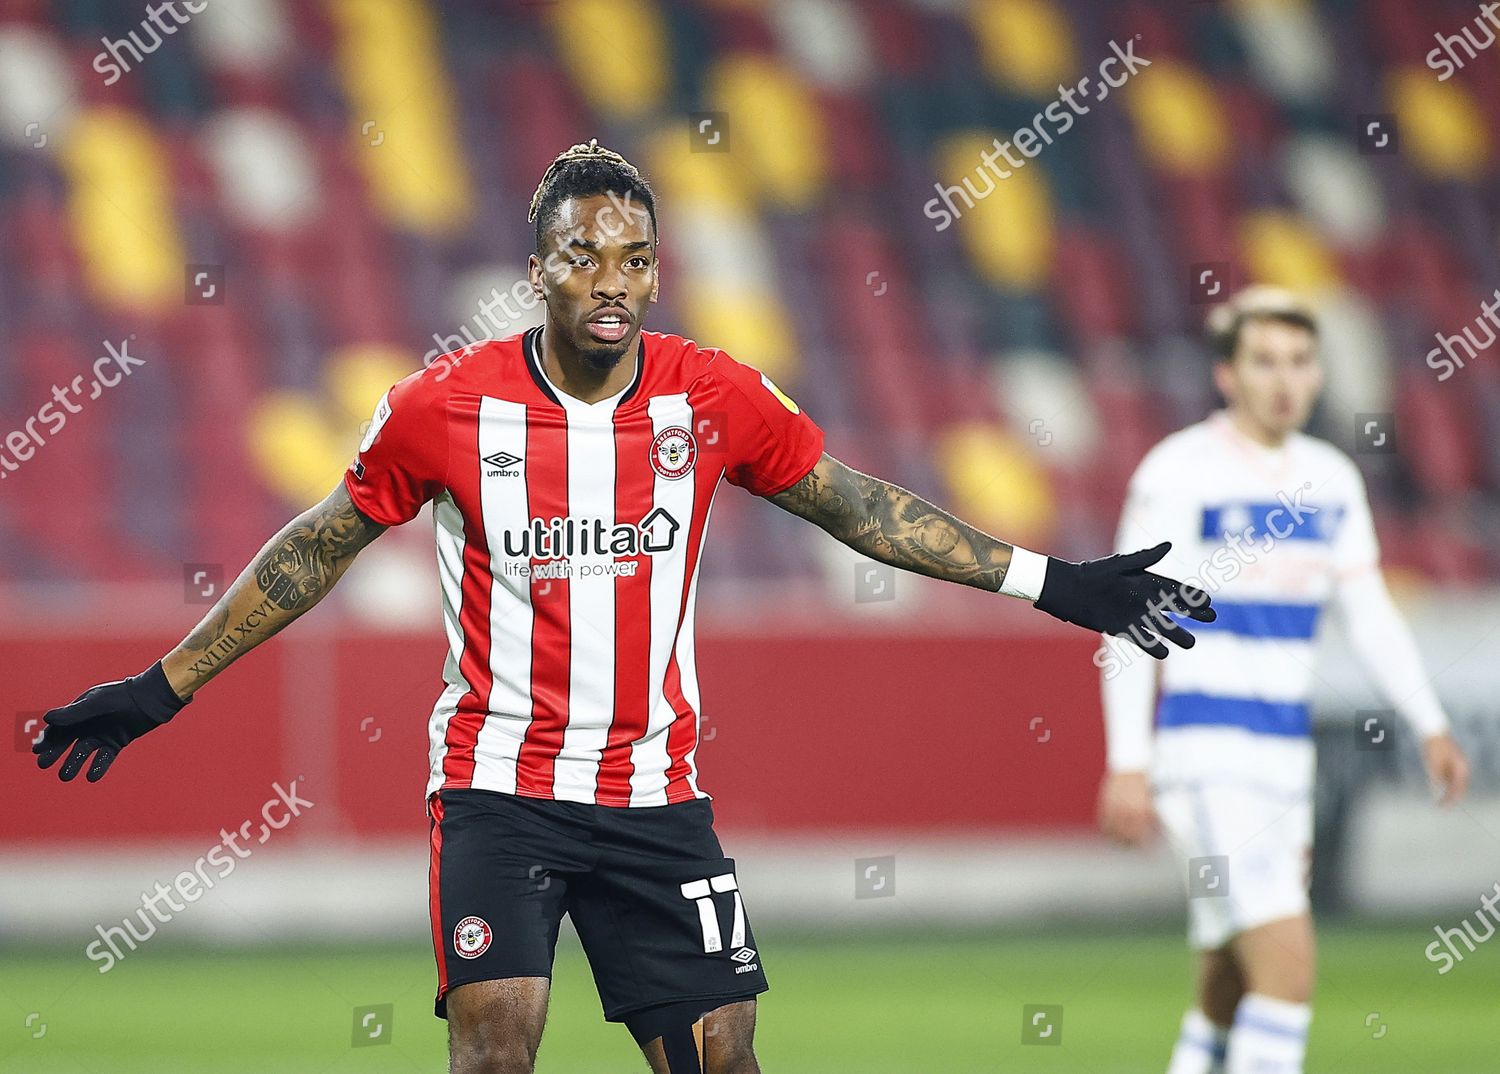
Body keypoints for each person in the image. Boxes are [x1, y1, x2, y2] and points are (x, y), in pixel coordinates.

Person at [34, 140, 1214, 1074]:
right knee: (496, 1042)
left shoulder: (713, 397)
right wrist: (161, 687)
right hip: (502, 789)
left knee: (723, 1055)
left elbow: (856, 505)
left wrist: (1057, 585)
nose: (614, 282)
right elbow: (318, 546)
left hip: (655, 790)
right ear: (537, 267)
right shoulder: (442, 409)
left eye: (637, 257)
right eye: (586, 256)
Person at [1095, 286, 1470, 1074]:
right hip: (1206, 749)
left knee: (1230, 973)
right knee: (1288, 965)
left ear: (1321, 374)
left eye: (1300, 361)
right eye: (1264, 361)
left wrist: (1427, 720)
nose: (1284, 379)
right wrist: (1127, 759)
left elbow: (1367, 611)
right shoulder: (1181, 470)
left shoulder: (1330, 478)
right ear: (1227, 376)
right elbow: (1130, 620)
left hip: (1283, 755)